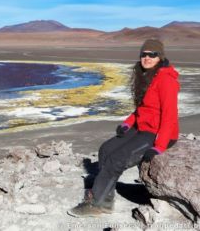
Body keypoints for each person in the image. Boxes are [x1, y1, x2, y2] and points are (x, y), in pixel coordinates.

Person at [68, 38, 180, 217]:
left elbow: (169, 116)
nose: (147, 58)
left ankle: (98, 204)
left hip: (157, 132)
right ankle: (105, 195)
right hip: (143, 126)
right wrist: (128, 123)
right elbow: (143, 109)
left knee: (117, 159)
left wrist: (159, 146)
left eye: (153, 55)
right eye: (144, 54)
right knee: (106, 149)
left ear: (160, 57)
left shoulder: (166, 80)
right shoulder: (146, 77)